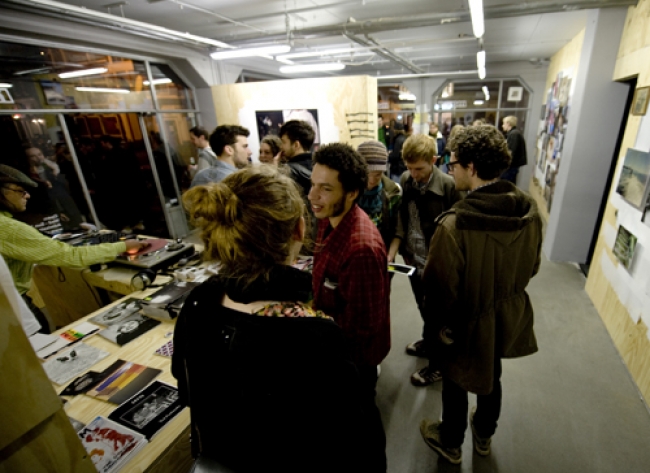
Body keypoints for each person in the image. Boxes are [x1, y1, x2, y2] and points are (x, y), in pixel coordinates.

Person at [172, 166, 373, 473]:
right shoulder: (314, 335)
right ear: (299, 230)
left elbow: (187, 389)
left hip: (222, 455)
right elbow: (349, 443)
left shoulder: (198, 301)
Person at [419, 125, 542, 464]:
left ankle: (451, 441)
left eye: (453, 163)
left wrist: (438, 330)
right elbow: (533, 266)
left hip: (464, 322)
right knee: (493, 372)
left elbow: (440, 291)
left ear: (471, 167)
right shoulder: (528, 210)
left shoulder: (454, 225)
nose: (450, 170)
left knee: (455, 380)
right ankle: (484, 434)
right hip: (506, 316)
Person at [309, 143, 390, 473]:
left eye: (325, 188)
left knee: (360, 427)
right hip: (334, 349)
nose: (313, 196)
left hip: (351, 362)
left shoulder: (361, 248)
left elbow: (362, 329)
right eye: (313, 184)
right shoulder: (329, 218)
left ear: (353, 193)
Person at [0, 165, 148, 332]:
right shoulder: (8, 228)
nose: (27, 195)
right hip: (12, 304)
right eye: (20, 191)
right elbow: (71, 255)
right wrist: (122, 246)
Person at [388, 133, 460, 386]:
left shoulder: (450, 186)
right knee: (424, 307)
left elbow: (457, 232)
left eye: (419, 168)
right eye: (409, 168)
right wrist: (398, 247)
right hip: (413, 259)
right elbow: (403, 216)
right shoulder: (406, 180)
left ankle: (438, 366)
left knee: (439, 316)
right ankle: (429, 343)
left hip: (437, 264)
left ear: (433, 160)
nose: (413, 174)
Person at [356, 140, 402, 252]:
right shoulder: (348, 192)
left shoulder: (393, 192)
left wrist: (390, 256)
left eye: (378, 174)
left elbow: (398, 230)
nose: (372, 180)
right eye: (367, 174)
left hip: (383, 252)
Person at [279, 120, 315, 197]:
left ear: (296, 145)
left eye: (283, 142)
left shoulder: (286, 171)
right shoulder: (320, 165)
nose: (281, 147)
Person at [501, 115, 528, 184]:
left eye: (504, 123)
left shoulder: (514, 134)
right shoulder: (513, 133)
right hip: (512, 165)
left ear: (508, 124)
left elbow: (511, 151)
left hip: (511, 166)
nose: (502, 126)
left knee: (506, 184)